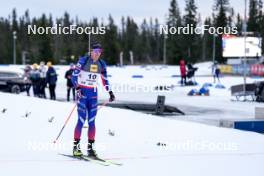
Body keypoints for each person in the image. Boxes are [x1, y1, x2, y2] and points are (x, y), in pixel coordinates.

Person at [71, 43, 115, 157]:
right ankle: (76, 147)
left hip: (93, 96)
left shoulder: (102, 64)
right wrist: (78, 87)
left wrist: (110, 92)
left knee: (92, 122)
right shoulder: (83, 61)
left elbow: (105, 80)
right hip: (83, 95)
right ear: (91, 51)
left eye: (99, 52)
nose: (97, 54)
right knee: (81, 120)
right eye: (95, 52)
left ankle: (90, 149)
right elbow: (73, 76)